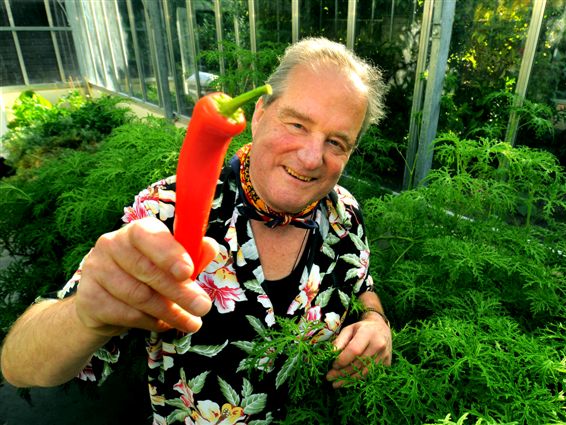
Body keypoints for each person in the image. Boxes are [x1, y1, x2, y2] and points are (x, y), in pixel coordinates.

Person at [0, 37, 392, 423]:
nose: (310, 158)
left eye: (336, 142)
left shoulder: (345, 213)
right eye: (296, 124)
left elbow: (361, 282)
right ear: (258, 114)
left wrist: (375, 319)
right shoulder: (166, 213)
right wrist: (85, 315)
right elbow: (19, 367)